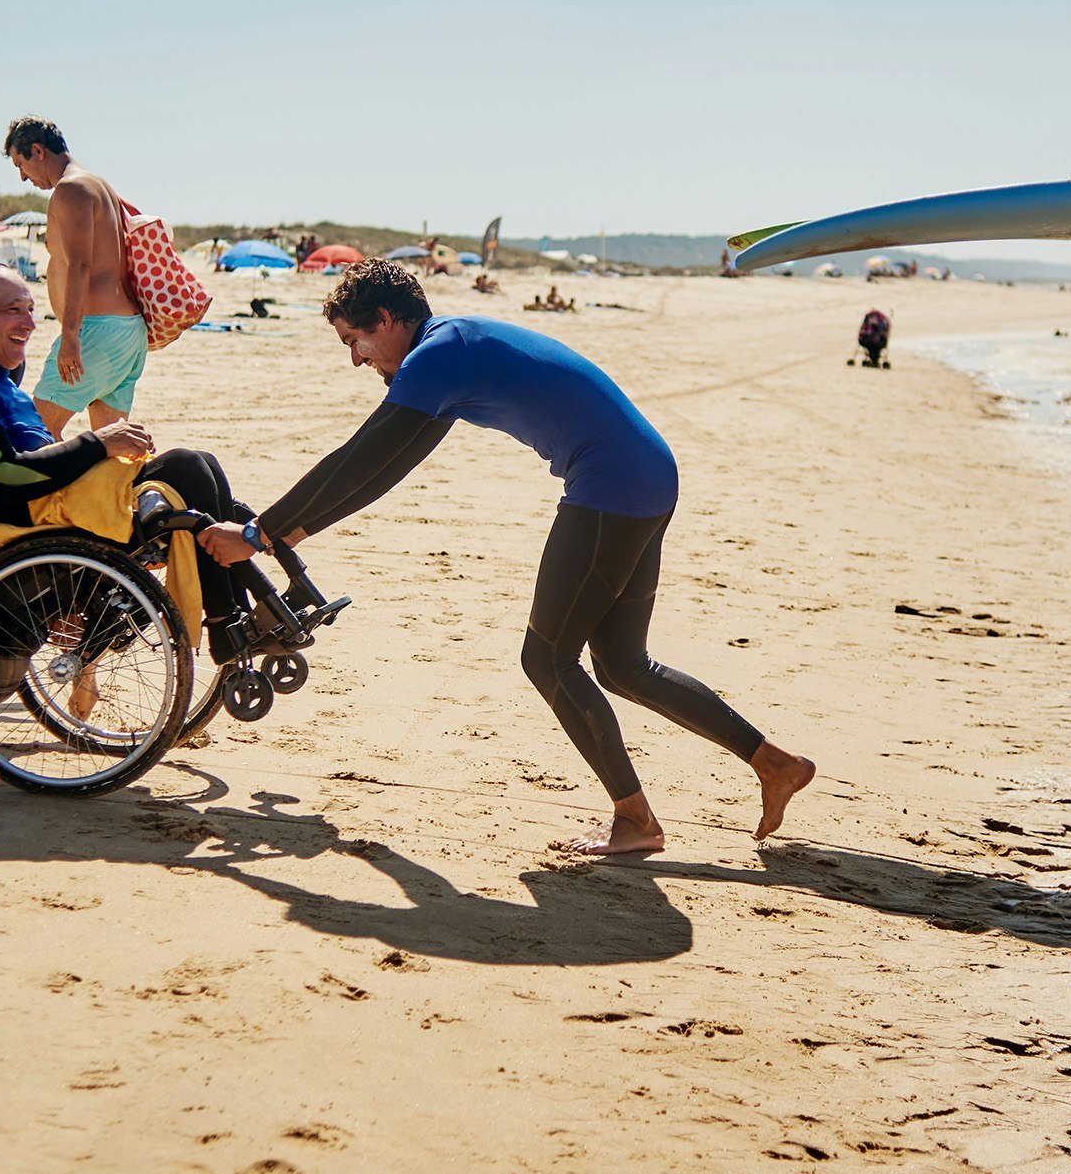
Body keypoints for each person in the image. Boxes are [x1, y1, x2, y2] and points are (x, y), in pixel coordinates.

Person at [196, 259, 816, 856]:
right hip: (647, 476)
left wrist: (257, 534)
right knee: (623, 665)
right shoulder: (451, 353)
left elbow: (358, 456)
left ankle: (636, 819)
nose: (357, 359)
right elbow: (390, 468)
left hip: (612, 486)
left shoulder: (438, 355)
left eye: (354, 340)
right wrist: (291, 533)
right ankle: (774, 764)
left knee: (547, 657)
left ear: (386, 319)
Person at [0, 264, 259, 649]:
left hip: (57, 506)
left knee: (202, 464)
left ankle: (235, 614)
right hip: (35, 528)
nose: (30, 324)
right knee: (186, 466)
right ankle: (226, 623)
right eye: (13, 310)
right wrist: (97, 444)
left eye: (30, 310)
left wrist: (95, 450)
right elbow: (3, 476)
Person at [3, 117, 144, 436]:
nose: (23, 177)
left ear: (37, 150)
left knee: (35, 432)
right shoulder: (99, 184)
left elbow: (80, 265)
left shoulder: (70, 189)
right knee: (113, 450)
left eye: (20, 164)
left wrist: (69, 336)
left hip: (95, 331)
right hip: (126, 332)